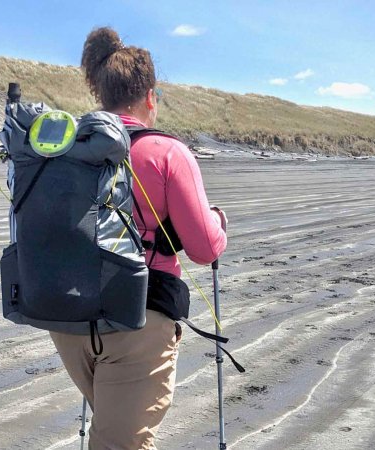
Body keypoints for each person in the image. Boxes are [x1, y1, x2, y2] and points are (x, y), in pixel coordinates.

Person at [49, 27, 227, 450]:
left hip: (66, 315)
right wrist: (219, 223)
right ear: (151, 96)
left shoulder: (73, 146)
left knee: (111, 430)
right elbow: (204, 248)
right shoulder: (167, 153)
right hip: (137, 319)